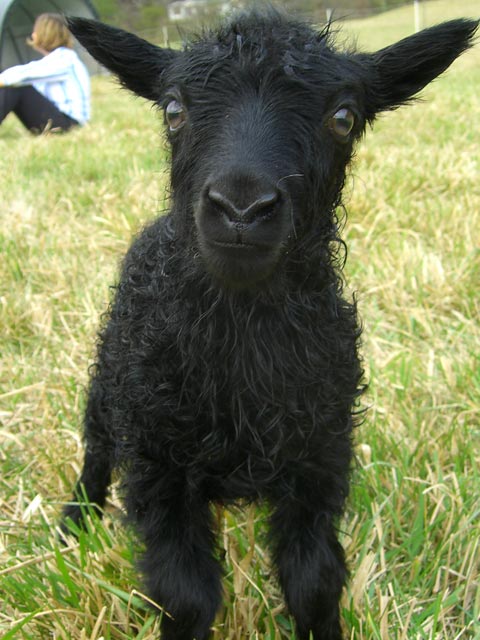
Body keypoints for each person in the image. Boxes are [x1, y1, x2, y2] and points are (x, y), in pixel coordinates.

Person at [0, 13, 90, 134]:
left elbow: (24, 74)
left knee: (14, 85)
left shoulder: (65, 59)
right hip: (57, 120)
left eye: (35, 31)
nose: (33, 35)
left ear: (45, 34)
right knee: (12, 81)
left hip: (69, 125)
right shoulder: (55, 60)